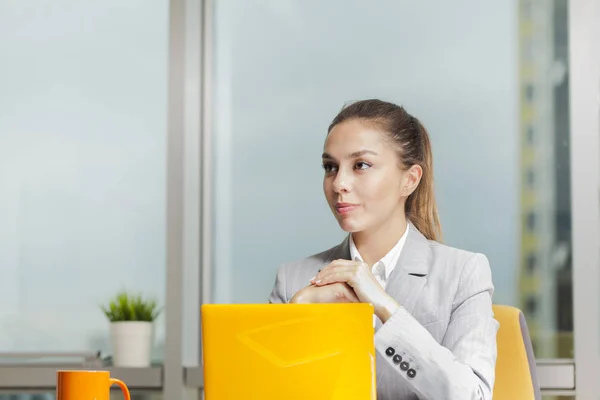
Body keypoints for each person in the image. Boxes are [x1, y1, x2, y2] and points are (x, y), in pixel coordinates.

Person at [268, 99, 498, 400]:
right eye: (330, 167)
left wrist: (384, 306)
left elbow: (473, 396)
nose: (339, 183)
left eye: (361, 165)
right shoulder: (293, 280)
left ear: (409, 179)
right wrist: (298, 313)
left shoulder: (462, 273)